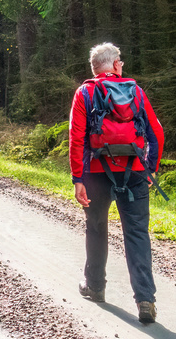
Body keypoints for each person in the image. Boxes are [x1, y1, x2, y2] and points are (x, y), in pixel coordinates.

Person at [69, 42, 164, 324]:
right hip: (134, 170)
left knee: (96, 227)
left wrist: (78, 178)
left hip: (97, 172)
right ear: (117, 64)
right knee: (137, 233)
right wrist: (150, 169)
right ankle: (145, 299)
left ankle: (95, 287)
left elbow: (76, 138)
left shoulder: (85, 92)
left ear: (94, 68)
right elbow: (155, 132)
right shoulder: (135, 91)